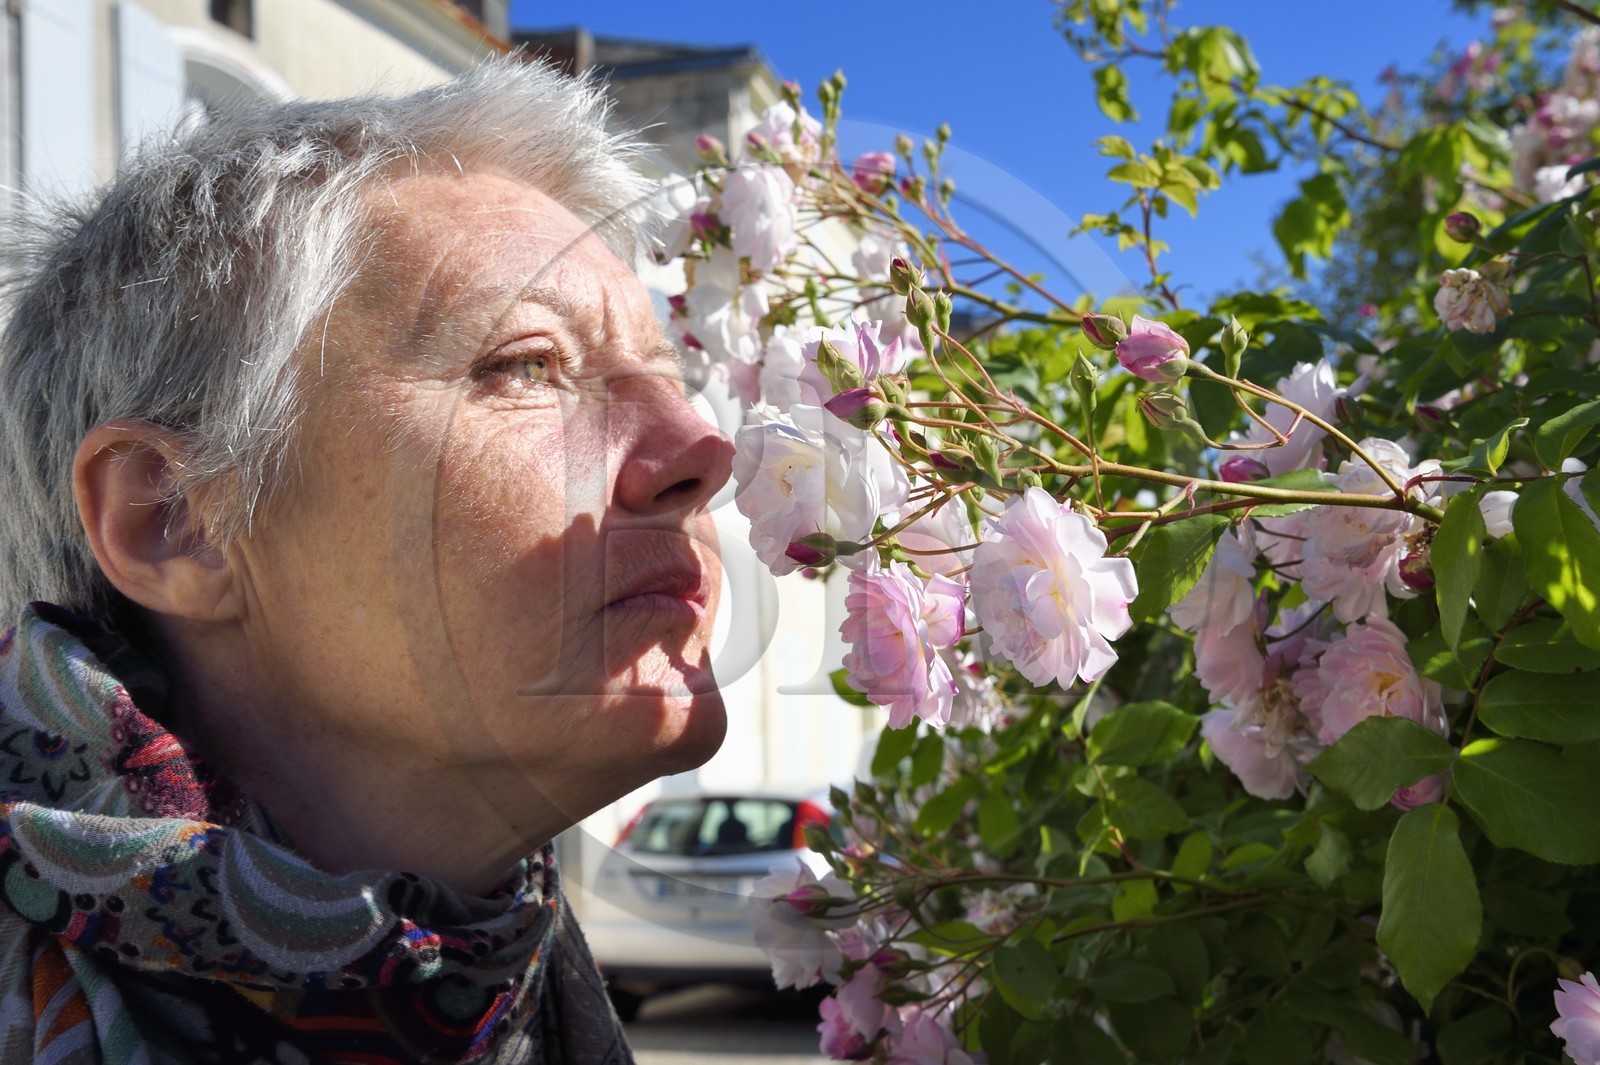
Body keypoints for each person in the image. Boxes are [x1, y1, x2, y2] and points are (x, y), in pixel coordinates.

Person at [0, 54, 734, 1064]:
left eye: (667, 379)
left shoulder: (507, 990)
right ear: (172, 519)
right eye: (525, 366)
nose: (699, 449)